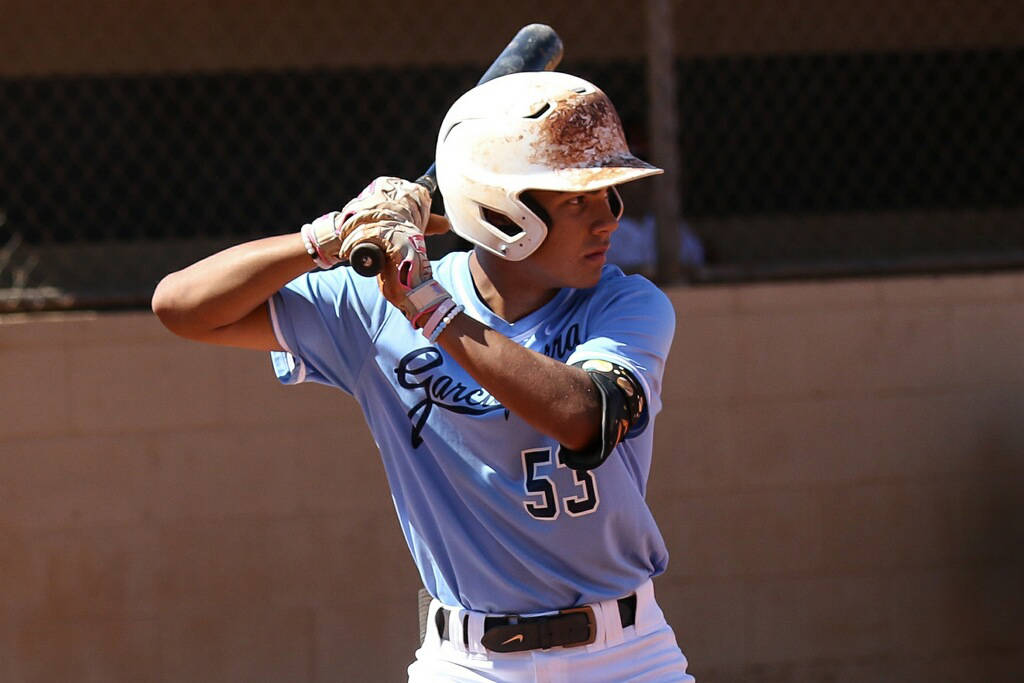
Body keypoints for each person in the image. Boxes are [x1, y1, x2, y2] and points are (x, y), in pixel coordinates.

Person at [153, 71, 694, 682]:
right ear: (501, 212)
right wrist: (328, 235)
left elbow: (584, 417)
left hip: (626, 657)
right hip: (468, 662)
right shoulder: (378, 305)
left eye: (610, 196)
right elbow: (181, 307)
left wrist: (428, 305)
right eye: (577, 201)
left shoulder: (627, 305)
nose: (608, 221)